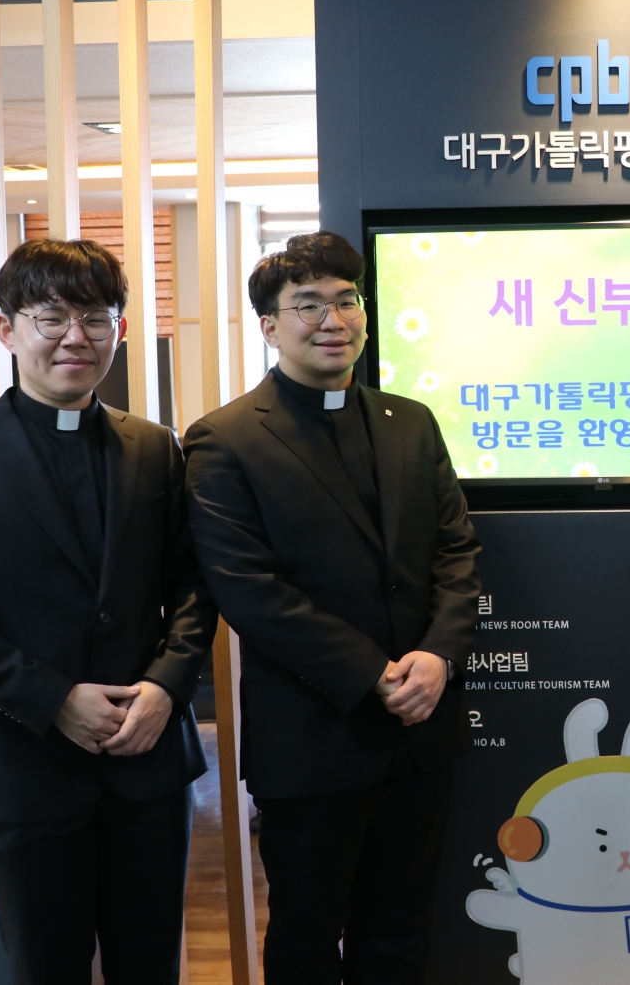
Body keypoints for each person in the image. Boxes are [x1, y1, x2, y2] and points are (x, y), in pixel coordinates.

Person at [0, 238, 215, 985]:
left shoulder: (155, 448)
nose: (76, 337)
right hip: (26, 767)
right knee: (47, 969)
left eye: (95, 318)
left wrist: (166, 688)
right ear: (7, 329)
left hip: (148, 759)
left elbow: (195, 585)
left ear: (120, 330)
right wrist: (56, 699)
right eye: (51, 317)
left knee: (151, 968)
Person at [183, 231, 480, 985]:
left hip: (421, 732)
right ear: (270, 325)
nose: (333, 320)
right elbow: (249, 589)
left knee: (402, 935)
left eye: (347, 301)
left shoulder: (411, 420)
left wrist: (438, 656)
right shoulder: (226, 438)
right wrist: (375, 674)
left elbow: (457, 552)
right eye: (308, 304)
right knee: (306, 942)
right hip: (313, 738)